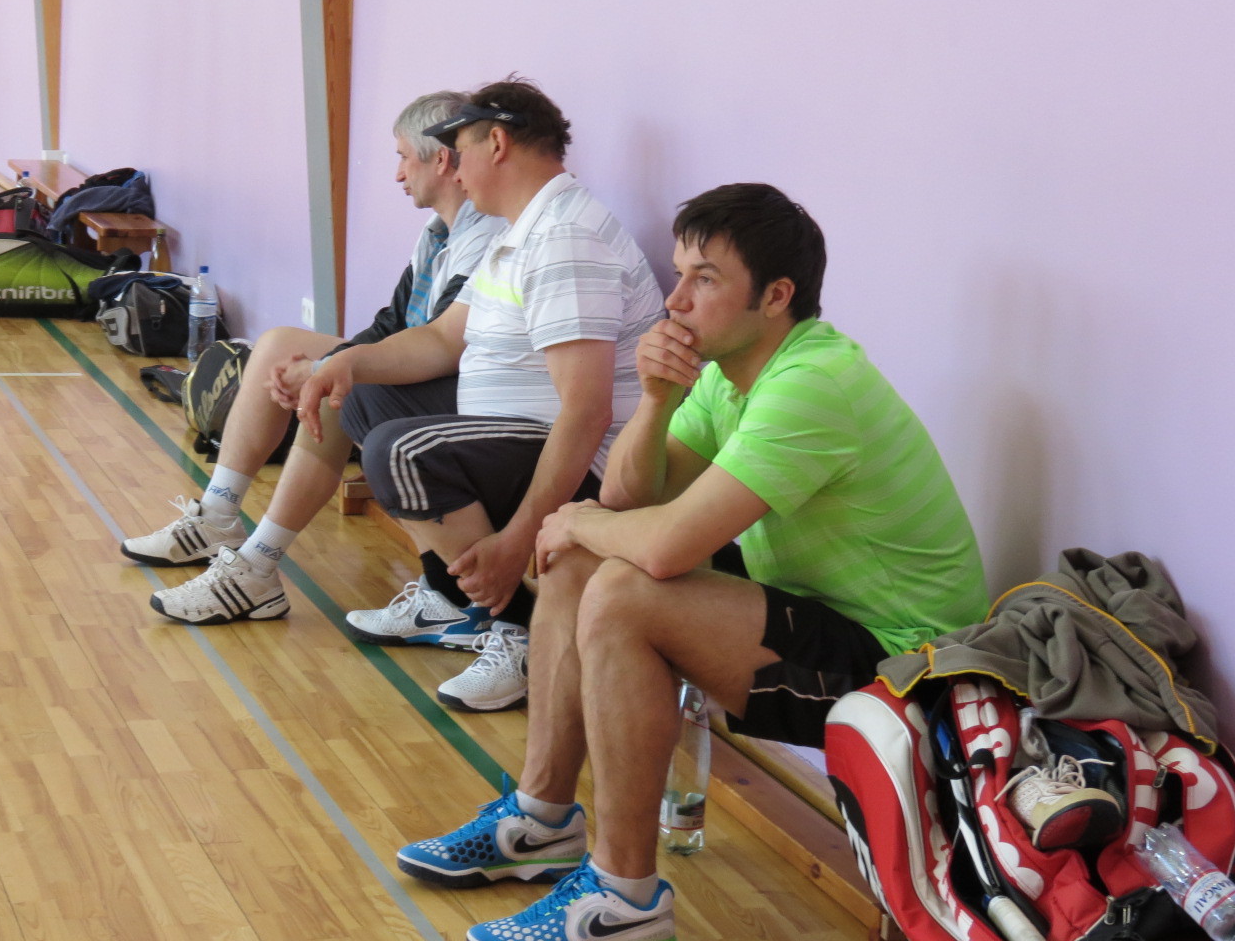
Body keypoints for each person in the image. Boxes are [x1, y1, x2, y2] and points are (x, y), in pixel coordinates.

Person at [397, 183, 988, 941]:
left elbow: (662, 543)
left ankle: (624, 900)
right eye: (680, 275)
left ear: (776, 296)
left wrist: (581, 519)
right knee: (580, 565)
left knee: (620, 590)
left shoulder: (812, 384)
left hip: (907, 671)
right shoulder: (724, 374)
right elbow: (627, 496)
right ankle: (541, 821)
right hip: (825, 623)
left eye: (704, 279)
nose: (676, 300)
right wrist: (654, 401)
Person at [152, 77, 666, 715]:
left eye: (460, 149)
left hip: (584, 469)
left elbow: (587, 413)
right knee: (356, 397)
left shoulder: (565, 240)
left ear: (497, 144)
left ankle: (524, 631)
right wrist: (344, 364)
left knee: (399, 450)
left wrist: (516, 544)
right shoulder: (524, 231)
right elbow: (443, 339)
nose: (455, 168)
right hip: (504, 433)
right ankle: (438, 594)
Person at [125, 89, 501, 626]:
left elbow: (442, 348)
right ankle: (217, 515)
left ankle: (257, 567)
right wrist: (324, 362)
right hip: (421, 364)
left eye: (402, 157)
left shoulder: (486, 235)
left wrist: (329, 371)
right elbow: (393, 323)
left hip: (458, 385)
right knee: (278, 345)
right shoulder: (439, 230)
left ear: (440, 159)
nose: (397, 174)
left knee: (341, 389)